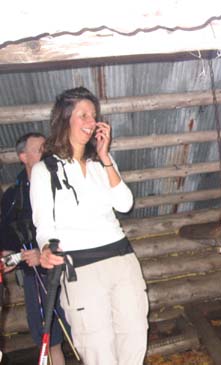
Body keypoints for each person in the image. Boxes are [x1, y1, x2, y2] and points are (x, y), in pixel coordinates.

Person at [30, 86, 149, 365]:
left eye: (93, 115)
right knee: (97, 345)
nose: (90, 121)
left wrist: (106, 156)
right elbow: (43, 226)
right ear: (65, 119)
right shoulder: (44, 170)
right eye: (83, 115)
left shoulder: (102, 163)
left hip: (121, 260)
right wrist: (46, 248)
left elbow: (124, 203)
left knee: (134, 334)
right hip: (80, 268)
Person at [0, 132, 68, 365]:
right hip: (35, 278)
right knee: (49, 340)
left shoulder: (62, 184)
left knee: (84, 333)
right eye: (40, 149)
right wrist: (9, 255)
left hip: (70, 272)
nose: (46, 152)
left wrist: (46, 253)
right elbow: (7, 233)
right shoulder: (12, 196)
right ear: (23, 156)